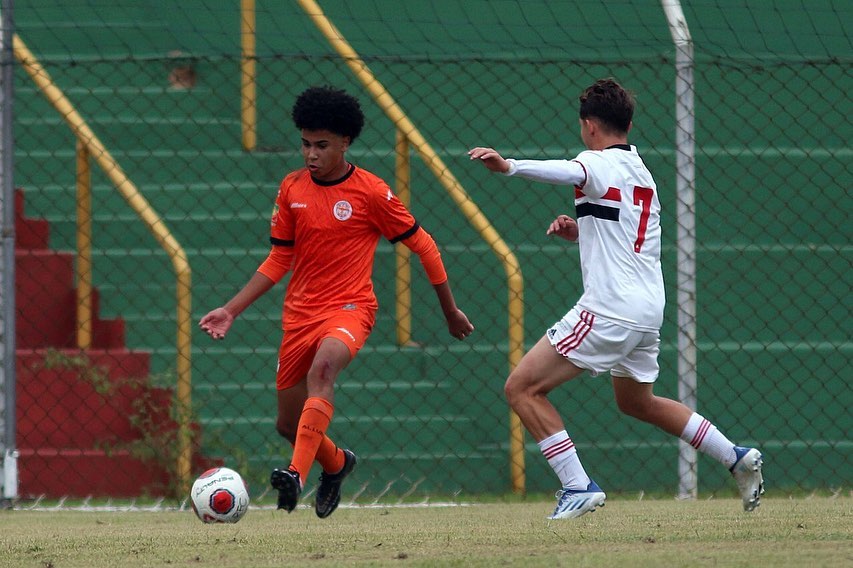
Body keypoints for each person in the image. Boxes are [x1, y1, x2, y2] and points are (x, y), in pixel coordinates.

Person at [468, 78, 763, 520]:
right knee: (636, 402)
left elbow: (572, 171)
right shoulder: (641, 172)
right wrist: (580, 231)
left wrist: (508, 165)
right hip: (647, 311)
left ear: (590, 126)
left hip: (611, 308)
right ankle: (736, 457)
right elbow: (625, 237)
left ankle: (577, 485)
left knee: (522, 388)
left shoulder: (596, 161)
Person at [200, 85, 474, 518]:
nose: (311, 154)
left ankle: (295, 474)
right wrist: (231, 309)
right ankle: (337, 463)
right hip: (299, 316)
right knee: (287, 425)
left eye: (322, 145)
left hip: (350, 308)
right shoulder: (291, 188)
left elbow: (425, 245)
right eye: (306, 144)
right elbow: (279, 258)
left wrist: (449, 310)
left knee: (323, 370)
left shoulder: (370, 192)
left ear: (345, 142)